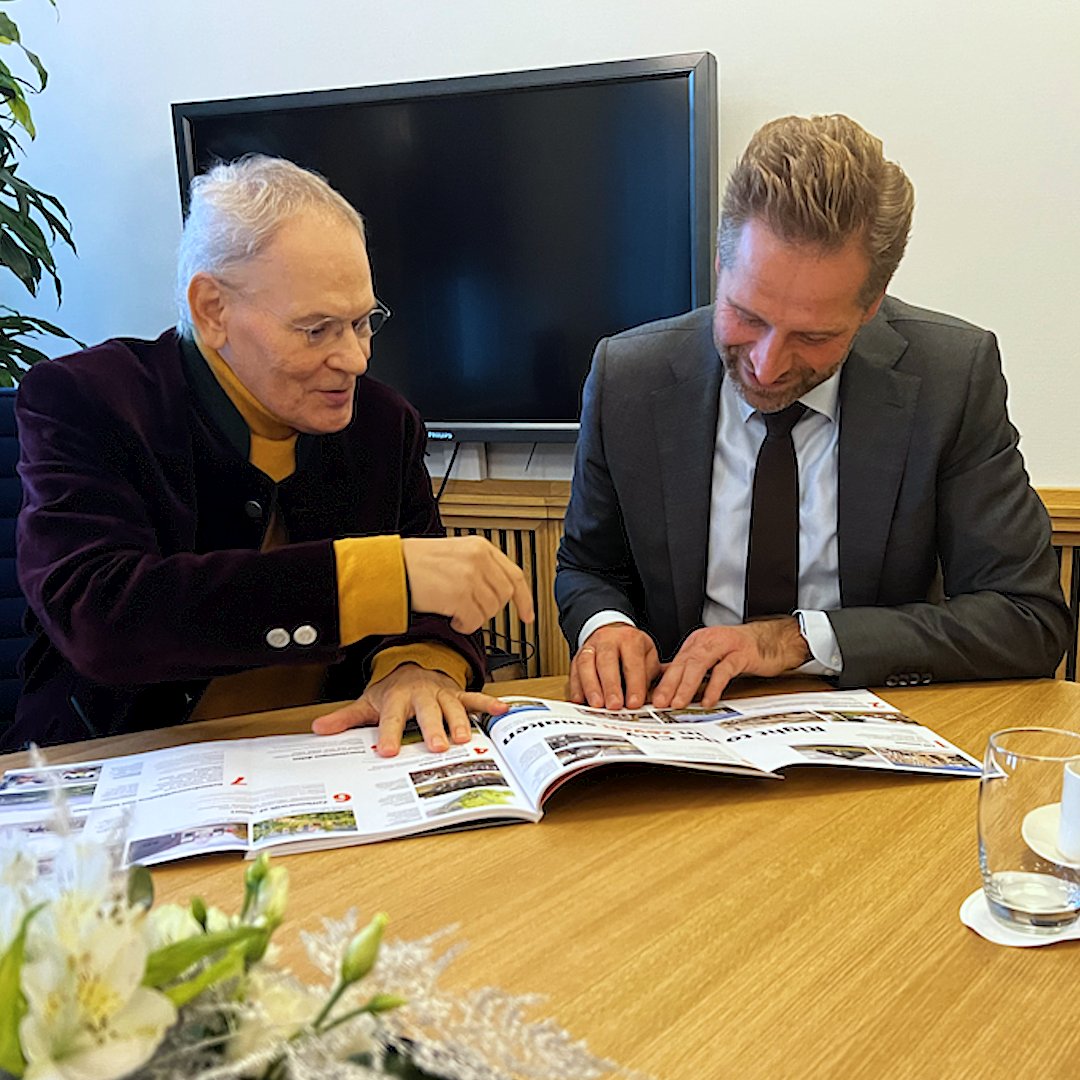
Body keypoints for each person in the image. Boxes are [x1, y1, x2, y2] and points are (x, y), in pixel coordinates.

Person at [7, 155, 533, 754]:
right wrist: (378, 576)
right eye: (317, 330)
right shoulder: (87, 400)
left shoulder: (384, 424)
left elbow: (428, 605)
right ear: (213, 310)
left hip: (324, 764)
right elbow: (100, 615)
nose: (355, 360)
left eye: (363, 323)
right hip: (108, 773)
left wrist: (417, 667)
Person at [556, 114, 1070, 713]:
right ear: (721, 269)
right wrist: (606, 626)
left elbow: (1025, 617)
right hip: (679, 726)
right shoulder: (628, 376)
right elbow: (589, 568)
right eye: (747, 315)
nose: (768, 367)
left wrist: (800, 640)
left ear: (870, 306)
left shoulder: (950, 376)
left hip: (870, 728)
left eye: (813, 335)